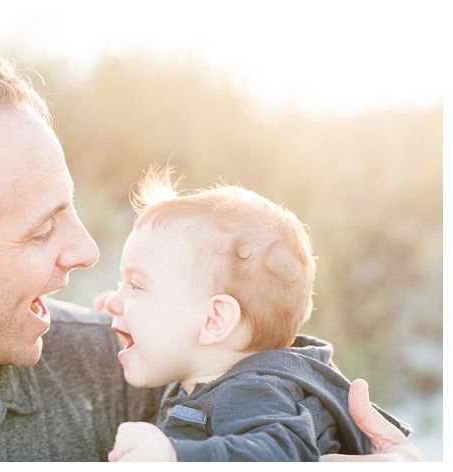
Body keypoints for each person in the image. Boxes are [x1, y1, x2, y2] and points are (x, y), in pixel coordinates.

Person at [0, 57, 425, 462]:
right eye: (43, 228)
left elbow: (269, 398)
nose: (85, 250)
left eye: (72, 210)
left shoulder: (114, 369)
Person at [103, 168, 413, 461]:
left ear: (214, 320)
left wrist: (174, 456)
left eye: (135, 284)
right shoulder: (213, 376)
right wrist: (133, 309)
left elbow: (281, 454)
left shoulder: (252, 392)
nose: (112, 303)